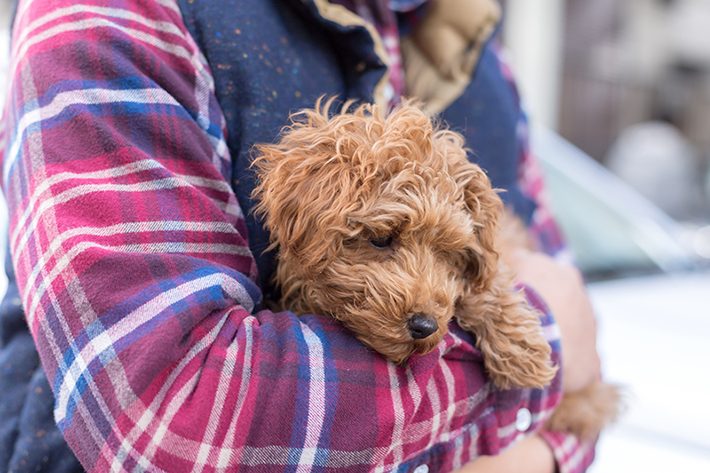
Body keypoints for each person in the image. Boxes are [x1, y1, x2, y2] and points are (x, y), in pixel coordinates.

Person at [0, 0, 601, 472]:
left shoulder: (481, 53)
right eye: (385, 241)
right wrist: (544, 349)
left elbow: (591, 365)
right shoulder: (121, 13)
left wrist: (542, 457)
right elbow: (171, 416)